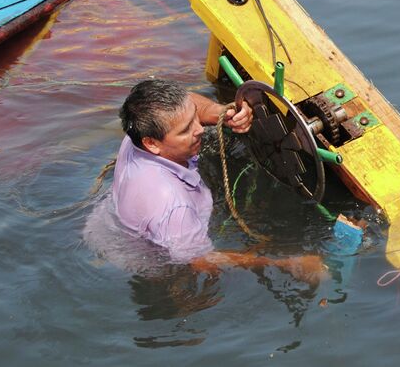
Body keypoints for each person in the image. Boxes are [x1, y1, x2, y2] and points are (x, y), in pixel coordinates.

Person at [112, 79, 324, 282]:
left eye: (195, 117)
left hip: (121, 220)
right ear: (152, 143)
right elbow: (201, 261)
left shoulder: (138, 133)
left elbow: (187, 101)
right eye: (186, 130)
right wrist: (287, 264)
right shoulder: (174, 206)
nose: (200, 129)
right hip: (156, 260)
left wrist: (220, 113)